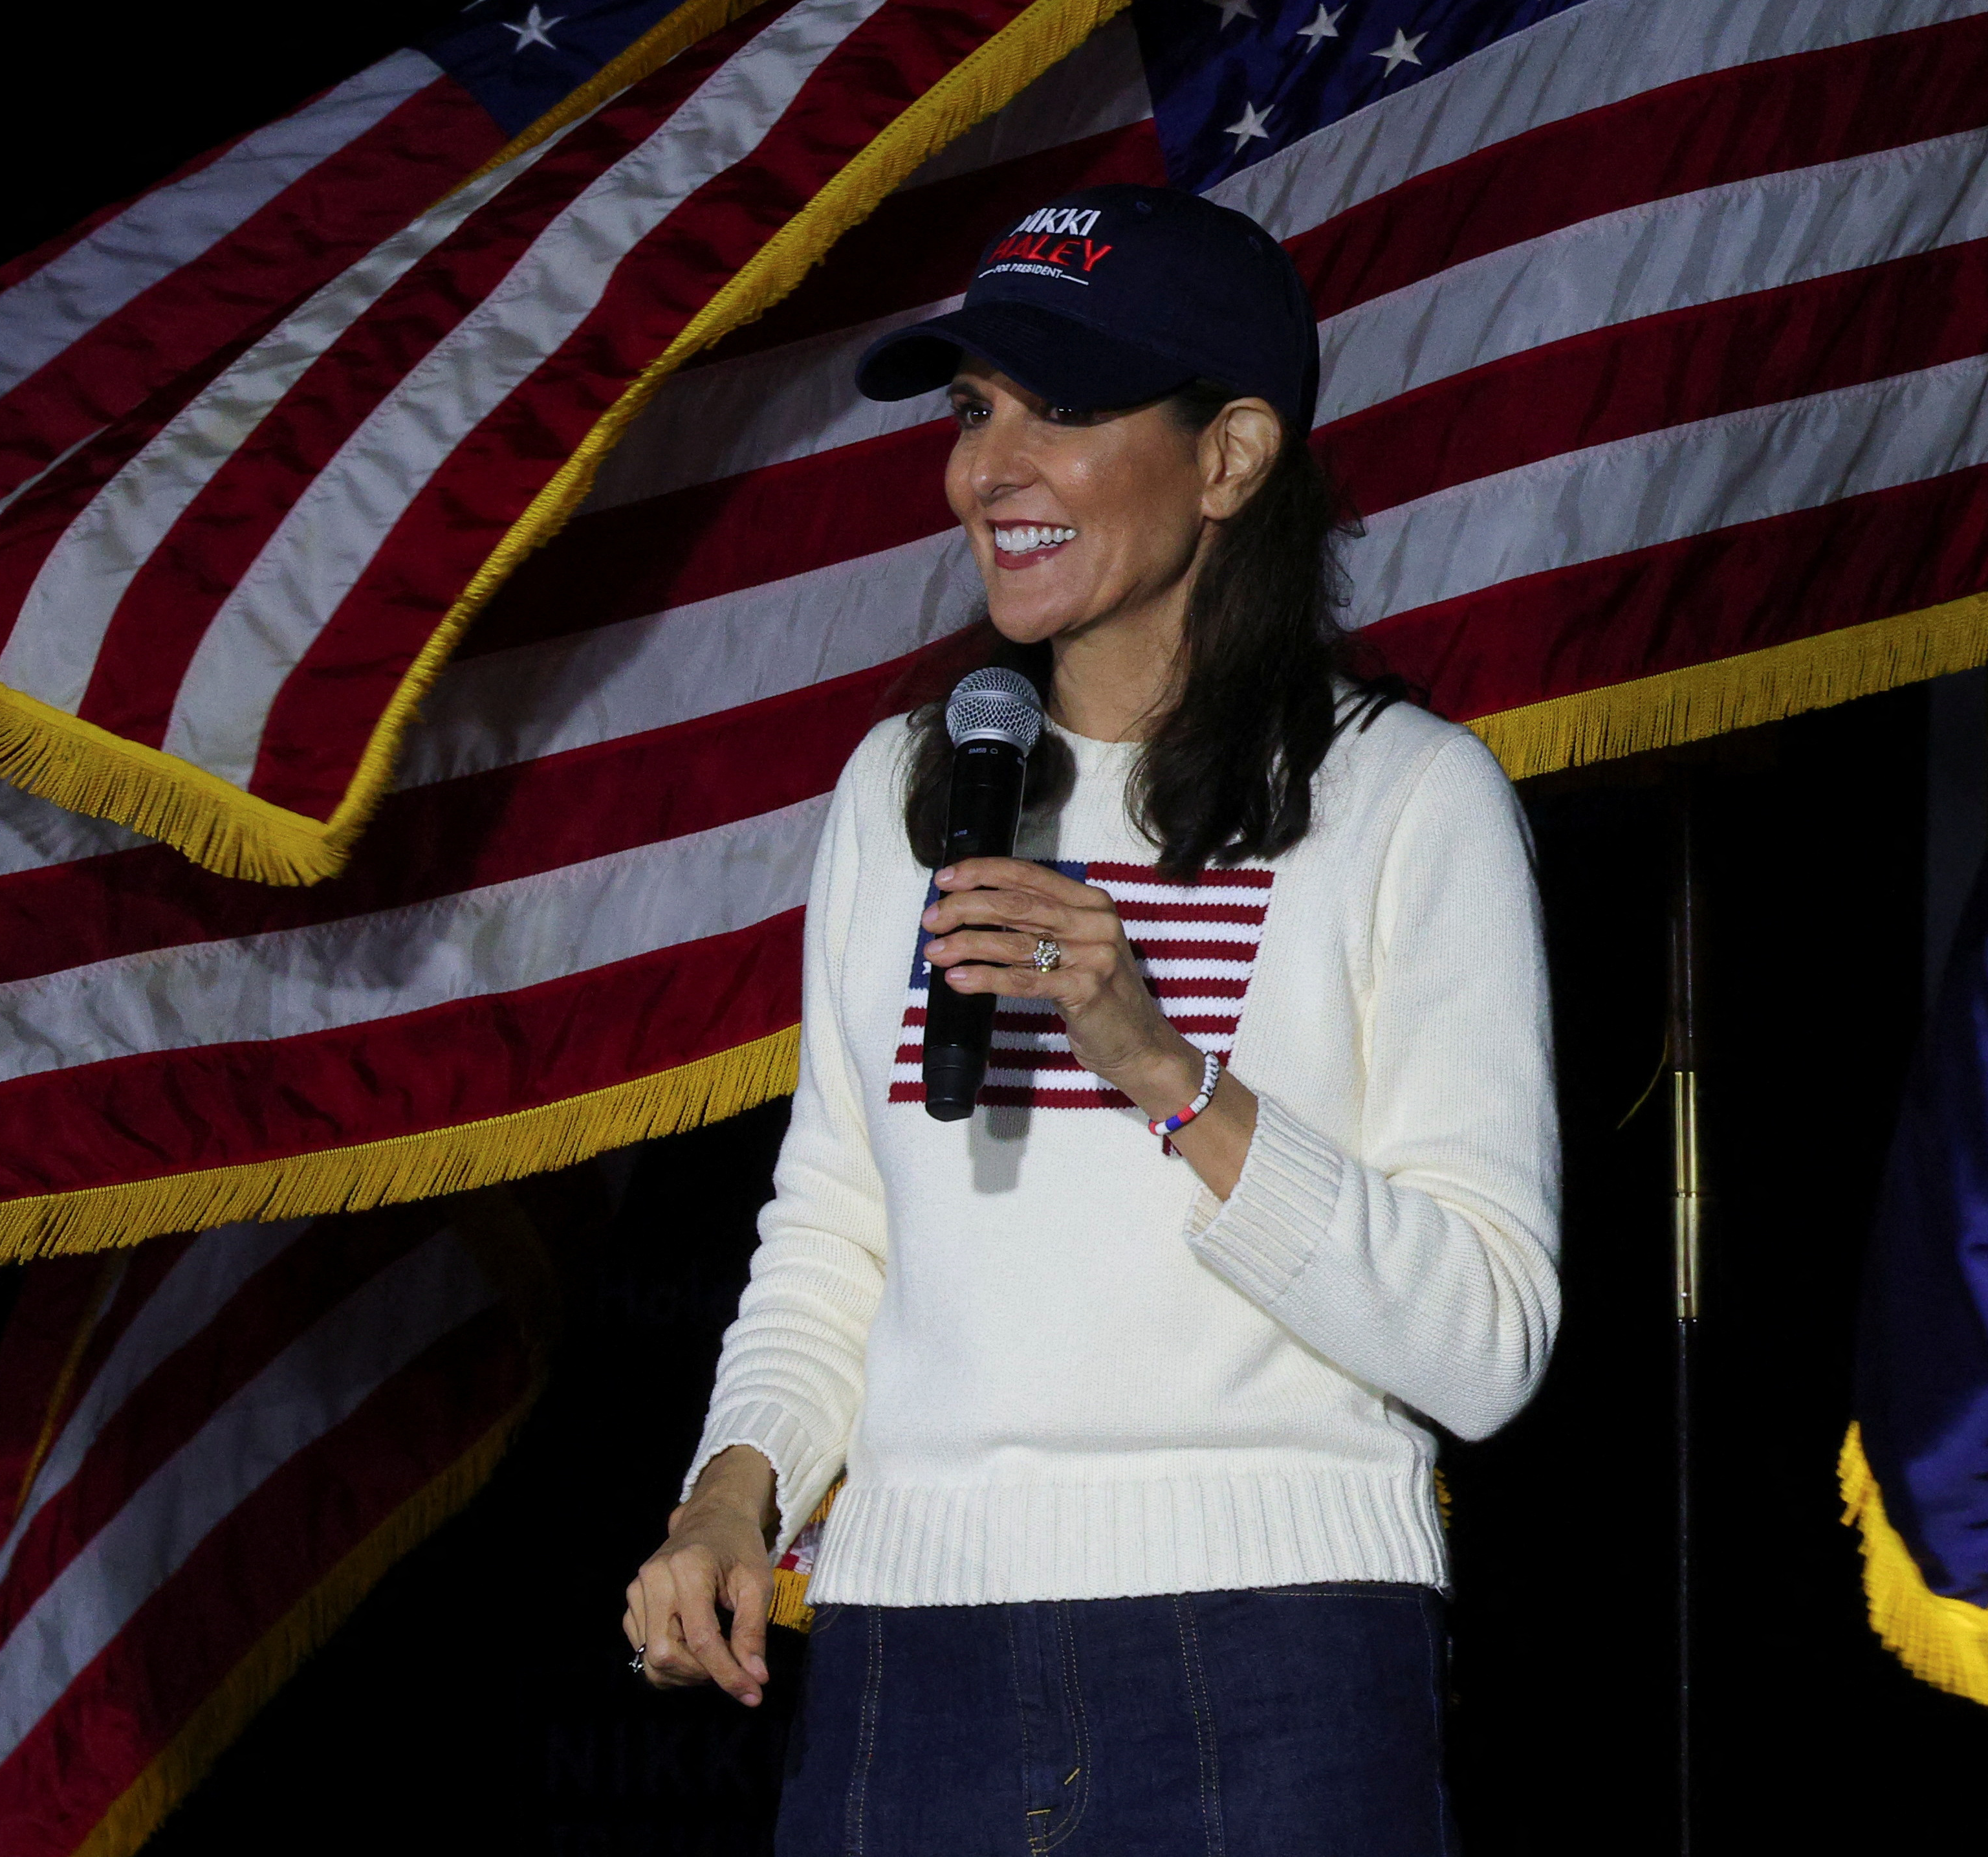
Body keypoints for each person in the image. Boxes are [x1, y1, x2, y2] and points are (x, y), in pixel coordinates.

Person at [620, 184, 1560, 1854]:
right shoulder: (901, 790)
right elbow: (836, 1228)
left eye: (1056, 410)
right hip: (911, 1660)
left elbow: (1482, 1346)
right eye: (973, 410)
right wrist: (727, 1495)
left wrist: (1160, 1065)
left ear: (1230, 458)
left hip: (1274, 1654)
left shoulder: (1409, 799)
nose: (985, 471)